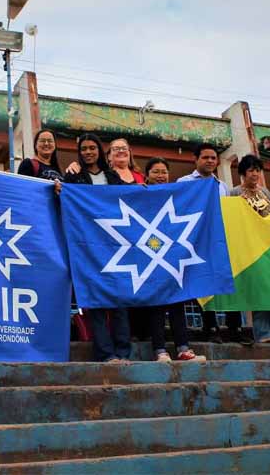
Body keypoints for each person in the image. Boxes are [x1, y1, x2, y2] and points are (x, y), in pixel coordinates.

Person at [62, 133, 129, 362]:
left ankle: (123, 351)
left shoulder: (112, 176)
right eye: (84, 149)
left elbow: (128, 201)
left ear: (100, 151)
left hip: (114, 244)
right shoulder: (74, 177)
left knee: (119, 301)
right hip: (87, 247)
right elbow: (63, 198)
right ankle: (105, 353)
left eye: (92, 148)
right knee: (96, 301)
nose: (88, 152)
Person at [178, 143, 251, 345]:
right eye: (205, 157)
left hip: (220, 242)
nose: (210, 161)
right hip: (196, 241)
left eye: (213, 158)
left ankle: (234, 327)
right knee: (203, 284)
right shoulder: (183, 182)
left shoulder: (222, 186)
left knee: (227, 281)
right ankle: (209, 327)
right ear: (196, 159)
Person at [144, 157, 204, 361]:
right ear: (147, 175)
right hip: (149, 254)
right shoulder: (140, 193)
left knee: (178, 302)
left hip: (173, 255)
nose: (160, 176)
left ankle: (183, 348)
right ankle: (159, 349)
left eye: (164, 172)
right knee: (156, 305)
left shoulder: (177, 195)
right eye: (155, 172)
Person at [230, 155, 270, 344]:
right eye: (250, 170)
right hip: (248, 247)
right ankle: (263, 333)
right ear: (242, 173)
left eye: (257, 170)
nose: (255, 174)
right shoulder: (234, 193)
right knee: (258, 290)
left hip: (267, 246)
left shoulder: (266, 192)